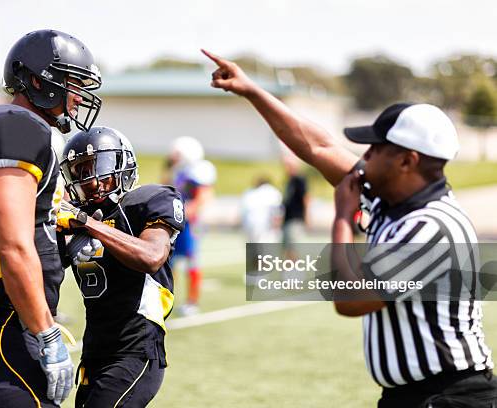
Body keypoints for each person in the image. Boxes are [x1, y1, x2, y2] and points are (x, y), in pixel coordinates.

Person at [202, 49, 497, 407]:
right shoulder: (392, 198)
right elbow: (317, 146)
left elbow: (350, 299)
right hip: (415, 395)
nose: (365, 154)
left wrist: (343, 218)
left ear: (407, 161)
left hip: (450, 397)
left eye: (376, 148)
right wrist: (251, 90)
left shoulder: (430, 227)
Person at [0, 29, 102, 408]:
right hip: (2, 328)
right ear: (37, 79)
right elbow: (12, 244)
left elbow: (27, 230)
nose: (79, 97)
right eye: (72, 83)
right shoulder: (17, 124)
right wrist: (46, 332)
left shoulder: (21, 127)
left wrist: (65, 242)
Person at [58, 126, 185, 407]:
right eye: (78, 172)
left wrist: (88, 225)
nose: (87, 179)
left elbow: (152, 256)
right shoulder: (79, 215)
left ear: (119, 163)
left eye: (92, 167)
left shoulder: (147, 200)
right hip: (94, 351)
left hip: (135, 350)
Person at [165, 136, 216, 316]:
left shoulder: (199, 170)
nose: (174, 156)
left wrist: (184, 214)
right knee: (169, 262)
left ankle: (192, 301)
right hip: (179, 221)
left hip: (190, 223)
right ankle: (167, 298)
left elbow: (203, 196)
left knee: (191, 262)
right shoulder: (179, 170)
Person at [240, 176, 283, 263]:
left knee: (255, 252)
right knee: (266, 253)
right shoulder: (273, 192)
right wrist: (277, 227)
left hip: (249, 225)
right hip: (265, 226)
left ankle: (255, 273)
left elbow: (243, 211)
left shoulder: (249, 192)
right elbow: (277, 212)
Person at [281, 154, 309, 259]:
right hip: (287, 220)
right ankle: (288, 273)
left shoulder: (299, 180)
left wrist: (307, 217)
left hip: (295, 219)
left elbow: (306, 198)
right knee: (286, 248)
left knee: (293, 248)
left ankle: (295, 273)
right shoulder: (288, 180)